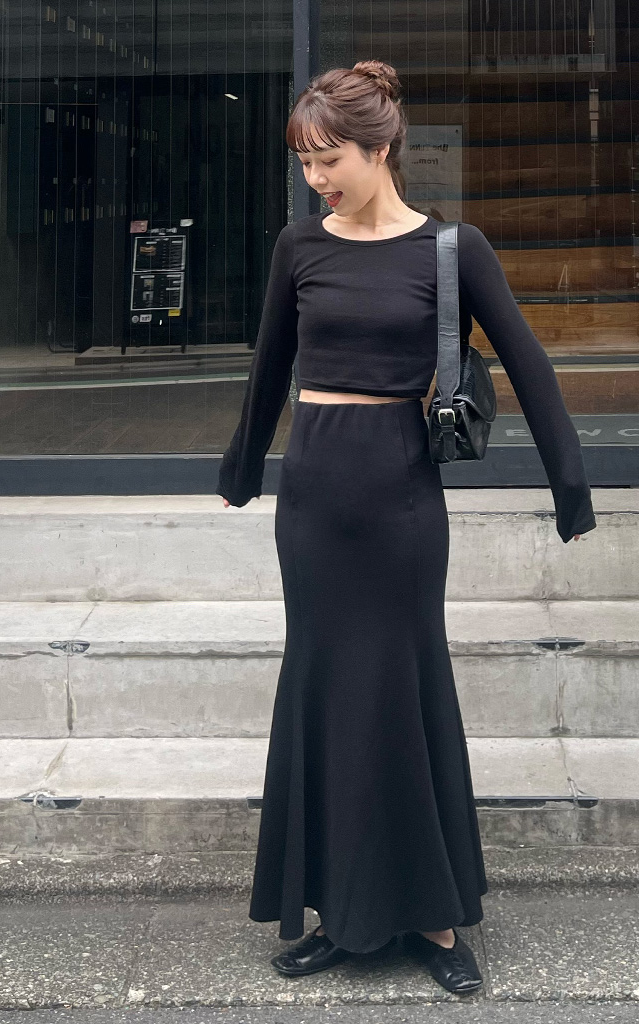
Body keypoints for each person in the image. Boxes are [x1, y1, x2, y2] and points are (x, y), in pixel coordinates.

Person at [216, 59, 596, 994]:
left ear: (380, 149)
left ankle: (432, 918)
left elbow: (530, 364)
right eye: (305, 162)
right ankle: (336, 912)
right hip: (314, 496)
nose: (317, 178)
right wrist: (241, 470)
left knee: (401, 691)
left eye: (329, 159)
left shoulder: (453, 250)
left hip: (402, 499)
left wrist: (570, 488)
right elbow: (269, 368)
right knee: (322, 689)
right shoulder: (299, 248)